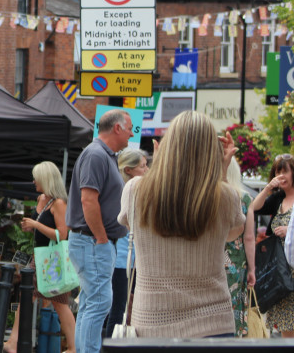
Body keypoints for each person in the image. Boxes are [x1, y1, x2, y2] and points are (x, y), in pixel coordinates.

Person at [117, 110, 245, 337]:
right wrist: (222, 174)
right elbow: (233, 233)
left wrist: (156, 169)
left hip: (152, 322)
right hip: (213, 321)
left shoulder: (136, 190)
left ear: (167, 146)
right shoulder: (225, 196)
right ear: (210, 152)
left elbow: (130, 224)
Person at [65, 108, 130, 353]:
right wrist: (102, 238)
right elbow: (88, 200)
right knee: (100, 302)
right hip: (93, 240)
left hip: (92, 240)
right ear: (117, 128)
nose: (131, 134)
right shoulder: (96, 155)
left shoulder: (102, 155)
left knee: (92, 303)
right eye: (130, 128)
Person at [5, 161, 75, 353]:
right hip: (42, 257)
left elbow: (62, 234)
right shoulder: (43, 200)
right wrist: (31, 227)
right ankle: (73, 346)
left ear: (46, 179)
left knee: (50, 301)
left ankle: (73, 346)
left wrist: (35, 226)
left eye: (37, 177)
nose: (34, 181)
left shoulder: (59, 203)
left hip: (50, 260)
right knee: (47, 300)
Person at [104, 148, 148, 338]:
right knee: (118, 309)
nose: (147, 170)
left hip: (128, 260)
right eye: (143, 166)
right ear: (129, 170)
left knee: (122, 309)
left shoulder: (125, 190)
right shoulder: (126, 192)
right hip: (123, 260)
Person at [250, 153, 294, 337]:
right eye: (277, 171)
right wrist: (268, 187)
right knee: (286, 327)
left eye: (285, 171)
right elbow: (253, 207)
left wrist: (290, 230)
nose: (281, 175)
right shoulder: (277, 199)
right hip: (281, 275)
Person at [224, 158, 256, 336]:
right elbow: (249, 237)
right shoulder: (244, 198)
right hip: (238, 263)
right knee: (236, 303)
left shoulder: (210, 195)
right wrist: (252, 268)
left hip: (213, 260)